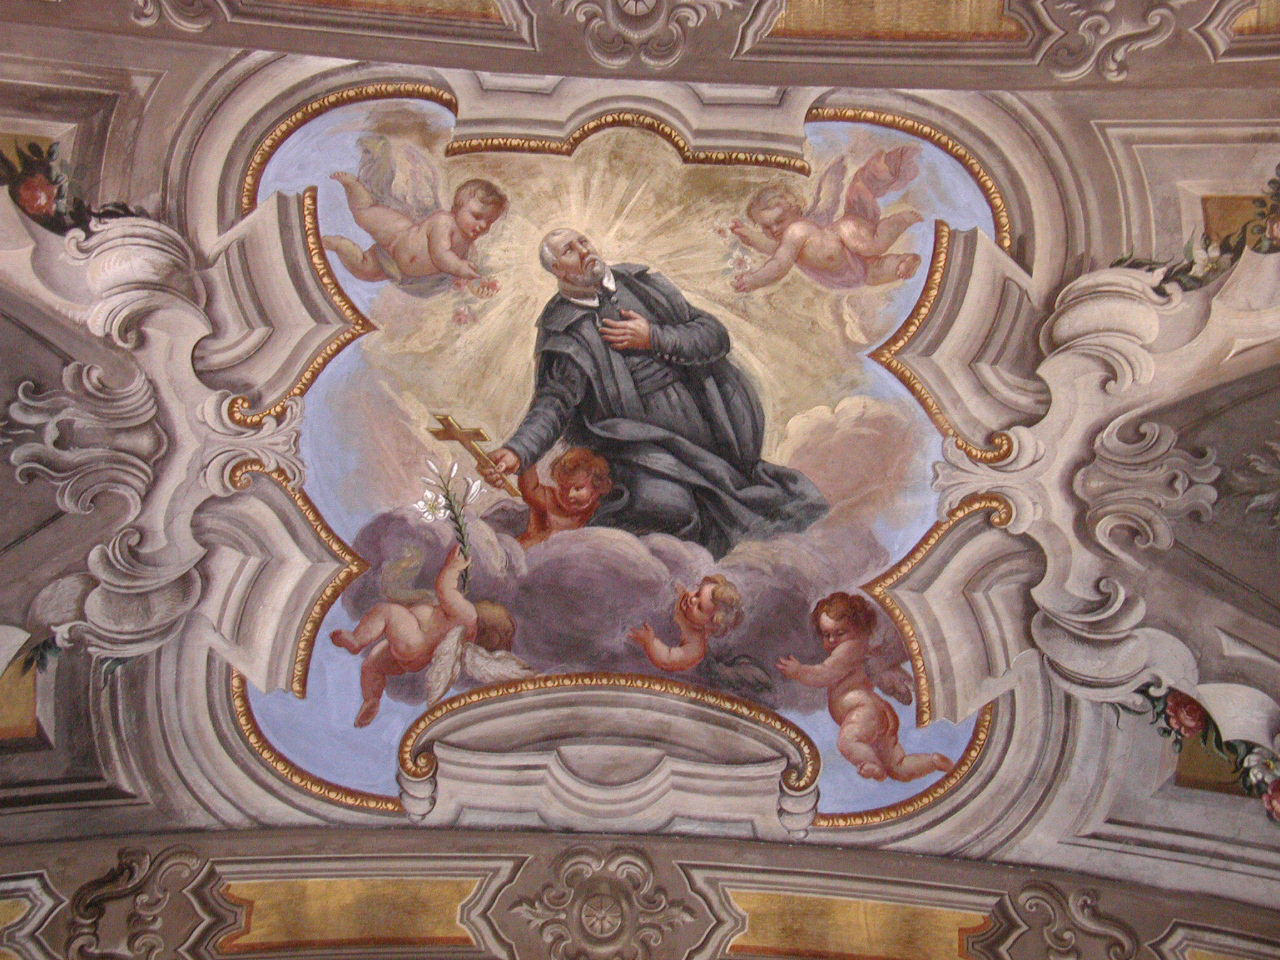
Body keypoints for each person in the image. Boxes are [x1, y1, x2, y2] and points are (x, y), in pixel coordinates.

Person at [480, 228, 827, 558]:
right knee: (668, 507)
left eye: (583, 241)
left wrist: (653, 337)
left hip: (709, 428)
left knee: (753, 503)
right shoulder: (564, 324)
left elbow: (713, 336)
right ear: (558, 269)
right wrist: (517, 450)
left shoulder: (642, 285)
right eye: (570, 250)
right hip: (635, 446)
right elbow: (555, 400)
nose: (584, 251)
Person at [330, 543, 520, 726]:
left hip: (414, 640)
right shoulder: (464, 644)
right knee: (373, 665)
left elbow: (445, 590)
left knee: (386, 611)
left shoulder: (468, 615)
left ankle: (357, 640)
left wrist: (453, 568)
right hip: (416, 661)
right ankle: (372, 699)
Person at [776, 592, 951, 782]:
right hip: (879, 713)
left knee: (848, 741)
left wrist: (799, 671)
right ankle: (932, 762)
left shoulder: (850, 648)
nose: (832, 640)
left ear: (858, 628)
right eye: (826, 635)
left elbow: (825, 673)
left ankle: (873, 766)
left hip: (862, 711)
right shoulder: (862, 649)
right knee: (897, 767)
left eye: (839, 633)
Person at [730, 145, 922, 293]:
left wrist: (756, 280)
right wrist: (749, 236)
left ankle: (901, 220)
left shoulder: (796, 231)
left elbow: (779, 265)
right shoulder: (786, 244)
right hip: (853, 271)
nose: (774, 229)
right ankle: (905, 261)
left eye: (779, 220)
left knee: (873, 245)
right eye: (766, 227)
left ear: (795, 209)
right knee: (874, 274)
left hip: (846, 235)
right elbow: (773, 250)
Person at [323, 175, 506, 296]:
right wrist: (460, 267)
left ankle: (340, 246)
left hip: (395, 266)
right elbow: (440, 254)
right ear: (457, 207)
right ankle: (353, 185)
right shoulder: (444, 222)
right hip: (397, 234)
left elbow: (465, 277)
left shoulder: (469, 249)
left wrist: (478, 285)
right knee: (364, 213)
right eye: (477, 216)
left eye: (489, 222)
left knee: (364, 270)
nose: (483, 225)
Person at [629, 574, 744, 671]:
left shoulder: (695, 646)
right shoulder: (682, 596)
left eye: (699, 607)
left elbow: (668, 659)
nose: (692, 599)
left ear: (709, 626)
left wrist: (650, 642)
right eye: (698, 593)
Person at [517, 447, 613, 548]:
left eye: (578, 488)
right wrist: (526, 452)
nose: (569, 494)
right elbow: (530, 487)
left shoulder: (599, 511)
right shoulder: (549, 498)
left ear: (597, 488)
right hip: (530, 551)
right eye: (564, 488)